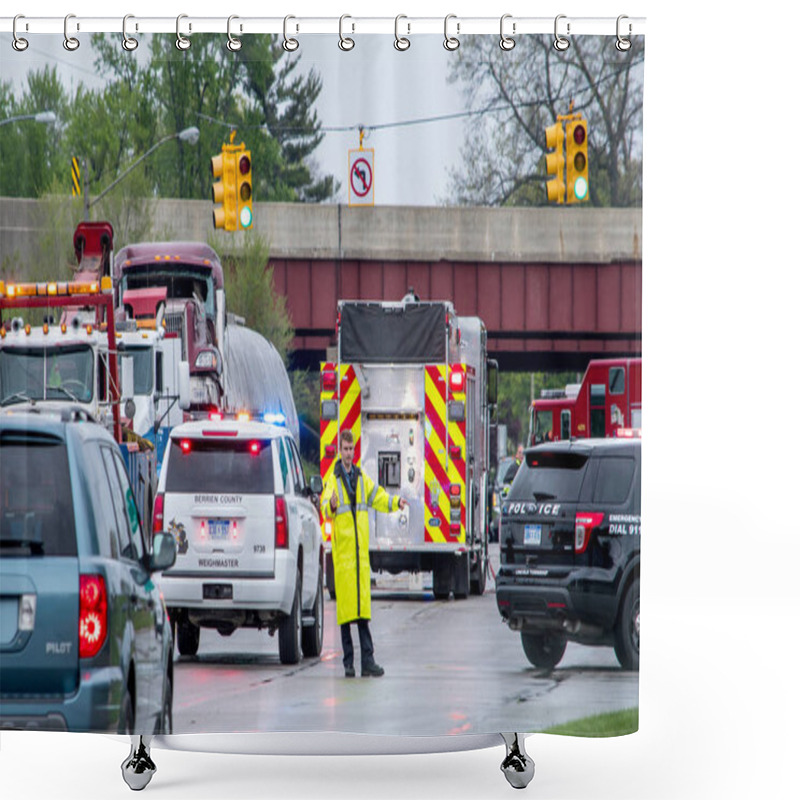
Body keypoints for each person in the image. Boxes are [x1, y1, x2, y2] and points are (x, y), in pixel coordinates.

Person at [321, 429, 407, 678]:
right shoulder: (333, 478)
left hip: (359, 558)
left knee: (362, 613)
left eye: (351, 450)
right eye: (345, 449)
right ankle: (349, 663)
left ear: (354, 450)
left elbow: (377, 496)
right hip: (345, 557)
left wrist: (395, 502)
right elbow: (326, 505)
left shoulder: (359, 477)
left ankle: (367, 661)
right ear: (340, 450)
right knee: (347, 615)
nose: (348, 454)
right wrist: (331, 506)